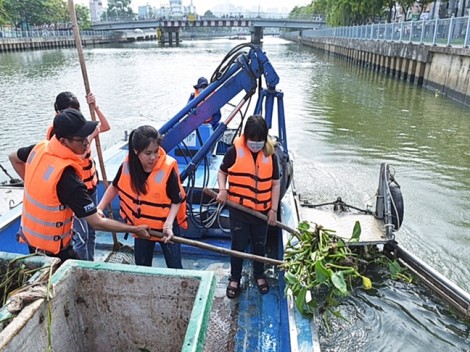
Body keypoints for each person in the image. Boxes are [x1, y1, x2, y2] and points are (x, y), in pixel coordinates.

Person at [9, 109, 150, 262]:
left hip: (32, 243)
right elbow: (96, 223)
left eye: (86, 136)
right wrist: (135, 229)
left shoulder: (39, 148)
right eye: (80, 139)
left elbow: (13, 157)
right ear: (63, 141)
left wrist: (35, 185)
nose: (86, 143)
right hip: (54, 254)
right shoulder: (66, 178)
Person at [97, 125, 187, 268]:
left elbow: (177, 200)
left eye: (156, 151)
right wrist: (100, 208)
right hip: (141, 228)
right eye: (148, 153)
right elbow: (114, 187)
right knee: (142, 266)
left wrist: (168, 225)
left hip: (165, 227)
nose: (153, 157)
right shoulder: (127, 166)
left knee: (175, 266)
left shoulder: (167, 170)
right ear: (136, 151)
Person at [216, 115, 280, 299]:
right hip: (239, 209)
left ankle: (259, 274)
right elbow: (222, 172)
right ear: (245, 137)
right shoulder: (234, 151)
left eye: (260, 140)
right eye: (253, 140)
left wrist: (273, 210)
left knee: (260, 245)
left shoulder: (270, 154)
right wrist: (222, 190)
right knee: (238, 245)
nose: (256, 144)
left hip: (261, 212)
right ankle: (234, 278)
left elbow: (275, 184)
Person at [49, 91, 111, 261]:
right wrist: (86, 142)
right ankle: (83, 268)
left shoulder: (81, 131)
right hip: (76, 194)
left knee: (91, 232)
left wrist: (95, 106)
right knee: (81, 236)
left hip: (91, 187)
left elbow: (105, 126)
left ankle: (89, 262)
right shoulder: (59, 137)